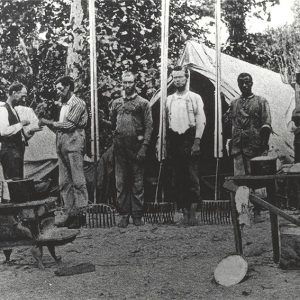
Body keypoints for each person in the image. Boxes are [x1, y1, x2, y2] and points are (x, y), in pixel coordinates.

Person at [39, 76, 88, 228]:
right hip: (62, 144)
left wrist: (48, 122)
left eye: (60, 88)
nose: (58, 91)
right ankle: (70, 213)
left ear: (68, 87)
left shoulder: (78, 103)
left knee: (78, 181)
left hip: (73, 143)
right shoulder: (64, 105)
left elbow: (69, 125)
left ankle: (80, 215)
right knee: (64, 182)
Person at [0, 82, 40, 262]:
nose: (24, 99)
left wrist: (28, 132)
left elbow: (18, 134)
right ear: (13, 93)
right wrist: (20, 124)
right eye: (22, 95)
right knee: (12, 184)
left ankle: (18, 223)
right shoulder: (2, 109)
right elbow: (3, 131)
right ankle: (12, 224)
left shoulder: (14, 109)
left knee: (18, 184)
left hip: (17, 151)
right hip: (8, 152)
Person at [224, 72, 272, 219]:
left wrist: (263, 145)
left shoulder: (261, 101)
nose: (244, 85)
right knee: (240, 180)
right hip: (238, 146)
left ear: (252, 83)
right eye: (241, 83)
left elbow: (267, 124)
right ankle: (243, 212)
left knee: (257, 179)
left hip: (255, 147)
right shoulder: (234, 103)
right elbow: (227, 122)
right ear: (238, 84)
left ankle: (259, 211)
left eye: (247, 82)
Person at [110, 71, 153, 227]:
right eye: (125, 82)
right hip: (120, 148)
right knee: (120, 182)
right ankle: (123, 214)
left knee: (137, 182)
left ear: (135, 83)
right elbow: (113, 122)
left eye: (130, 82)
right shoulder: (116, 103)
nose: (127, 85)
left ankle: (137, 215)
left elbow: (149, 126)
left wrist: (144, 147)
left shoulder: (143, 103)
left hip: (136, 147)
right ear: (122, 83)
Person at [165, 66, 206, 225]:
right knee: (178, 178)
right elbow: (166, 122)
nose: (177, 80)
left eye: (180, 77)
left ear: (186, 78)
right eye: (174, 77)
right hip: (175, 140)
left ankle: (194, 214)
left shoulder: (195, 97)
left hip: (189, 139)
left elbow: (201, 120)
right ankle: (184, 213)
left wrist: (197, 141)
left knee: (192, 177)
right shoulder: (169, 99)